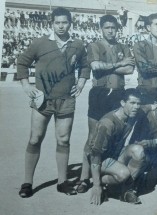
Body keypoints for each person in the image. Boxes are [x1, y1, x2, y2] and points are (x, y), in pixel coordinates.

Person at [17, 7, 90, 198]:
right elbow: (22, 62)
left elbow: (85, 65)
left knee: (63, 140)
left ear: (70, 23)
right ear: (52, 23)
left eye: (64, 22)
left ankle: (62, 181)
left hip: (66, 100)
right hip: (43, 101)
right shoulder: (40, 43)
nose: (61, 26)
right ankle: (27, 182)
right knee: (35, 139)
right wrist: (26, 86)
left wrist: (81, 81)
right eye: (57, 22)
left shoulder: (78, 44)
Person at [77, 14, 135, 193]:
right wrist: (119, 64)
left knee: (116, 136)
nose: (110, 30)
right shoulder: (94, 45)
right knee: (93, 137)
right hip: (99, 94)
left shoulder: (123, 46)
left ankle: (106, 173)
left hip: (118, 94)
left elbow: (130, 68)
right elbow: (95, 66)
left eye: (113, 28)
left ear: (117, 29)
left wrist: (109, 65)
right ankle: (84, 178)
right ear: (101, 29)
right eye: (107, 27)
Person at [81, 88, 145, 205]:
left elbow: (150, 106)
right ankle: (102, 182)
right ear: (122, 103)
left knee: (138, 151)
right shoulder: (107, 123)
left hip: (115, 155)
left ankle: (126, 190)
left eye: (138, 103)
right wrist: (96, 185)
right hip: (100, 159)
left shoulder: (134, 112)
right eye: (132, 103)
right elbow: (95, 154)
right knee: (123, 173)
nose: (136, 106)